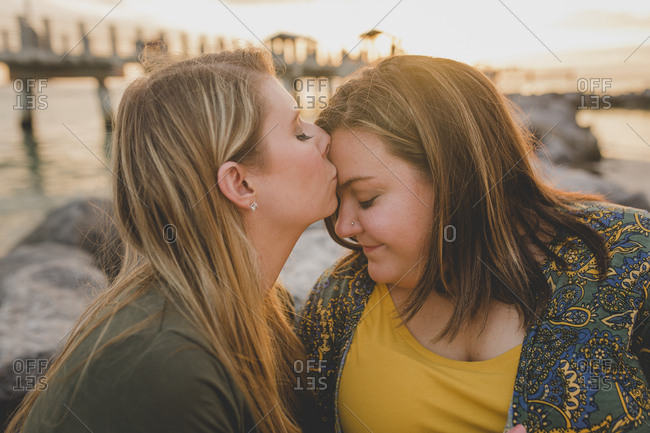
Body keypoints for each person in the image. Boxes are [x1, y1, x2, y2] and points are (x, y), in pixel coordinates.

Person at [297, 55, 650, 432]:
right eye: (338, 201)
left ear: (457, 178)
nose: (345, 226)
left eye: (366, 198)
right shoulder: (337, 303)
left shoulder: (633, 262)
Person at [6, 48, 337, 433]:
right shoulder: (168, 365)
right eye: (299, 132)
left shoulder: (257, 308)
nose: (324, 137)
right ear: (241, 183)